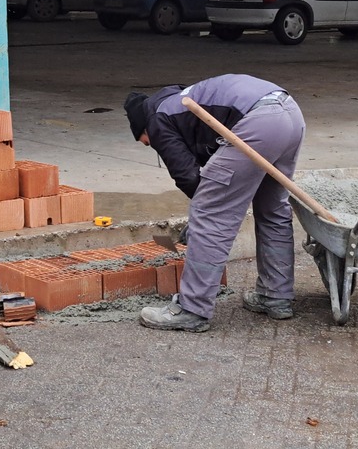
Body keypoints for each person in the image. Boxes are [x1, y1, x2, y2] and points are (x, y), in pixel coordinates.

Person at [124, 74, 305, 331]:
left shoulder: (157, 119)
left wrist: (202, 220)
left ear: (142, 128)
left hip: (259, 121)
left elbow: (189, 177)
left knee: (210, 214)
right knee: (272, 210)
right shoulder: (181, 100)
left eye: (144, 142)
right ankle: (275, 297)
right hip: (289, 112)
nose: (148, 144)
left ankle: (192, 309)